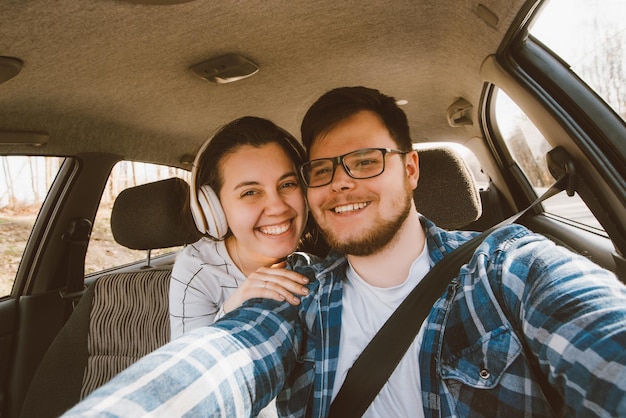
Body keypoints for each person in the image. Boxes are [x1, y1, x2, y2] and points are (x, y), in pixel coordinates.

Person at [63, 87, 626, 417]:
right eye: (323, 170)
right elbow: (222, 362)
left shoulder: (506, 265)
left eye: (365, 162)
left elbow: (598, 335)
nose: (341, 185)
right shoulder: (298, 290)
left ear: (410, 169)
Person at [169, 116, 314, 340]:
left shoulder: (316, 262)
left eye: (287, 184)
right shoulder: (197, 270)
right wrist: (235, 308)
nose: (277, 207)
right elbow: (189, 368)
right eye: (250, 192)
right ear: (214, 209)